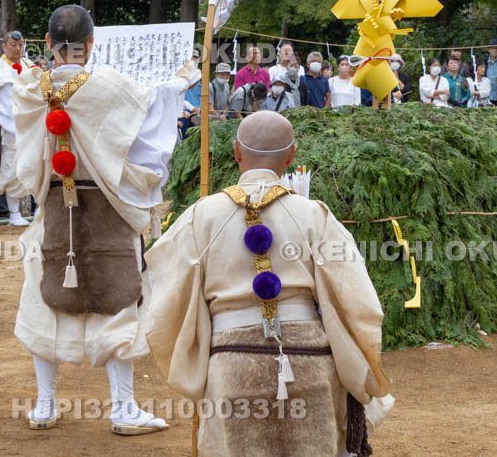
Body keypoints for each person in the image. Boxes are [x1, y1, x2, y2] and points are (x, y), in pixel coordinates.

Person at [145, 111, 393, 456]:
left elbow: (167, 290)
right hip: (311, 363)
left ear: (236, 152)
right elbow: (357, 299)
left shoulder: (200, 216)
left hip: (231, 365)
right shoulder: (315, 215)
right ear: (292, 156)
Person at [12, 4, 197, 435]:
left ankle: (44, 405)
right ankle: (124, 409)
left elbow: (19, 149)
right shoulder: (109, 85)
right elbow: (153, 109)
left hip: (56, 208)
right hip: (108, 208)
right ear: (91, 44)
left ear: (47, 42)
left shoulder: (29, 90)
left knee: (45, 298)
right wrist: (184, 79)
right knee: (120, 300)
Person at [0, 30, 35, 228]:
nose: (17, 48)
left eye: (20, 45)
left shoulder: (29, 65)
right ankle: (13, 213)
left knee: (32, 167)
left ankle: (31, 211)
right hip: (8, 126)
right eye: (13, 45)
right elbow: (0, 101)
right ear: (4, 46)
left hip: (31, 125)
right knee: (10, 169)